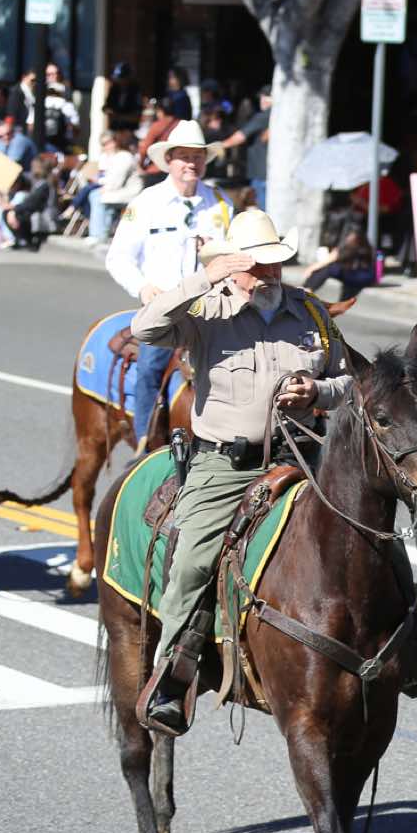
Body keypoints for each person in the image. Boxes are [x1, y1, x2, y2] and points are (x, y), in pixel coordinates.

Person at [128, 212, 349, 736]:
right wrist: (203, 278)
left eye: (275, 262)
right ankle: (173, 674)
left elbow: (348, 381)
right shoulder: (206, 310)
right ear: (233, 266)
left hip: (302, 455)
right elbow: (145, 328)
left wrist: (317, 392)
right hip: (225, 465)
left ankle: (406, 644)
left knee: (367, 528)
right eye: (256, 264)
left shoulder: (311, 312)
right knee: (192, 560)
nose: (269, 273)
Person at [106, 121, 234, 443]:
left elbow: (235, 256)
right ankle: (146, 445)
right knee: (151, 367)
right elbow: (118, 258)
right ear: (169, 160)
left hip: (210, 309)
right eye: (184, 156)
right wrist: (143, 288)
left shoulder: (221, 204)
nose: (191, 163)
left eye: (198, 156)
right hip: (164, 307)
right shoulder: (147, 202)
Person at [302, 213, 378, 301]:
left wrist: (311, 268)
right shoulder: (367, 246)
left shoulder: (351, 245)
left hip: (358, 277)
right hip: (366, 278)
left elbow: (330, 259)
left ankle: (307, 289)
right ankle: (306, 289)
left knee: (329, 268)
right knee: (330, 268)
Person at [86, 131, 141, 246]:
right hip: (118, 191)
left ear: (116, 142)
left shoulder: (124, 157)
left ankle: (97, 234)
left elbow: (115, 182)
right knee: (95, 195)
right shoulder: (110, 157)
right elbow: (106, 176)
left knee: (96, 196)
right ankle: (101, 232)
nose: (106, 146)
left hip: (129, 193)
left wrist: (104, 187)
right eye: (103, 144)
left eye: (108, 142)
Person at [218, 87, 273, 202]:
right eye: (261, 97)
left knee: (263, 209)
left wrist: (220, 145)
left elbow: (241, 136)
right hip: (269, 173)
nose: (262, 101)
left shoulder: (265, 116)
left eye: (264, 97)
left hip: (261, 174)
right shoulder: (277, 116)